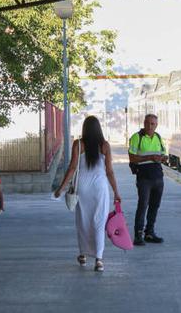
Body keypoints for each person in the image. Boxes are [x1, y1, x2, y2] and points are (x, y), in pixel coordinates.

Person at [54, 116, 121, 272]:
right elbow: (109, 171)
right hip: (100, 187)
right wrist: (116, 192)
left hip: (82, 187)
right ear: (99, 129)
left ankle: (83, 255)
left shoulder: (78, 144)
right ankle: (99, 260)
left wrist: (61, 188)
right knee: (99, 222)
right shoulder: (105, 145)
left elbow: (72, 168)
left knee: (83, 221)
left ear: (84, 128)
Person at [128, 114, 167, 246]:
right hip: (144, 178)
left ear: (156, 125)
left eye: (153, 124)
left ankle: (149, 232)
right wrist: (150, 157)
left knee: (155, 206)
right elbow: (132, 158)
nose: (150, 126)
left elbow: (163, 153)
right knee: (143, 205)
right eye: (148, 123)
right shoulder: (136, 137)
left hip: (158, 177)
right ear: (144, 123)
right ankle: (138, 235)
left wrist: (163, 158)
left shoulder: (158, 137)